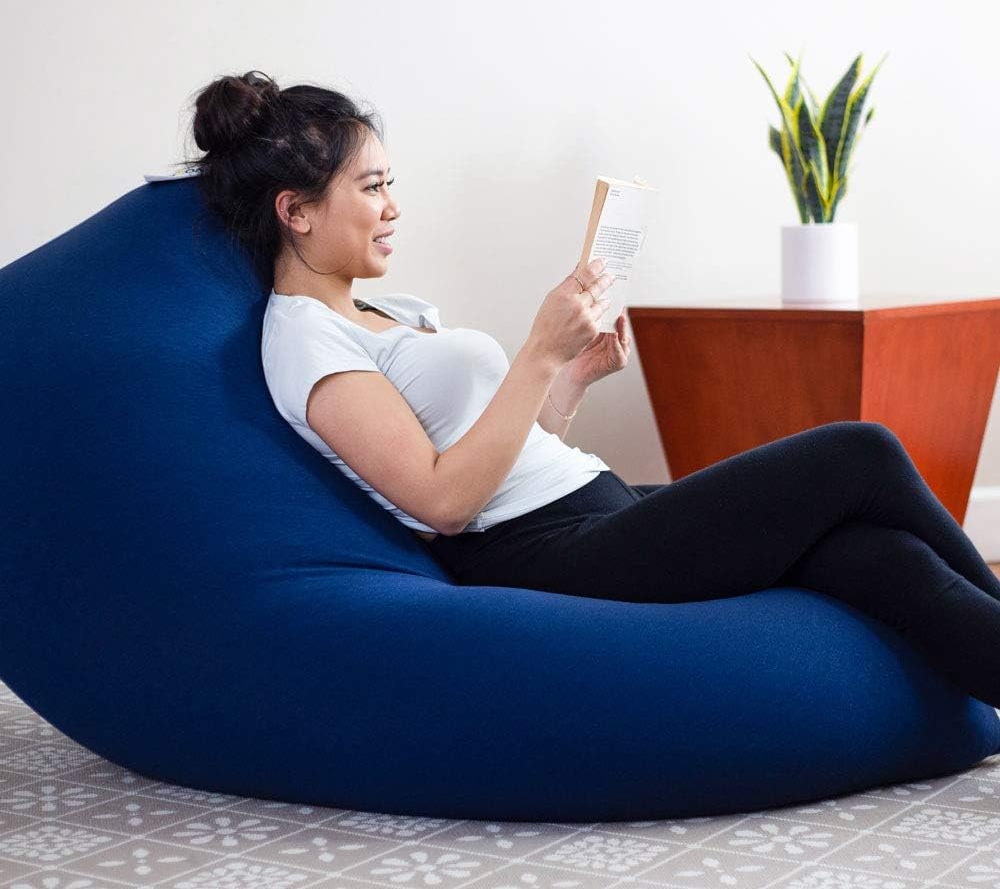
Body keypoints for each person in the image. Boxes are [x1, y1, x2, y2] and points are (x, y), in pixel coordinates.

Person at [184, 69, 1000, 709]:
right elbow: (443, 504)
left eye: (389, 182)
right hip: (543, 553)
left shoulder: (385, 309)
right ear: (295, 211)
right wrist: (539, 352)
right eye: (371, 187)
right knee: (859, 453)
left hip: (592, 510)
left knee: (875, 555)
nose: (393, 207)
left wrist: (568, 378)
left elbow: (503, 450)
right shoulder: (306, 341)